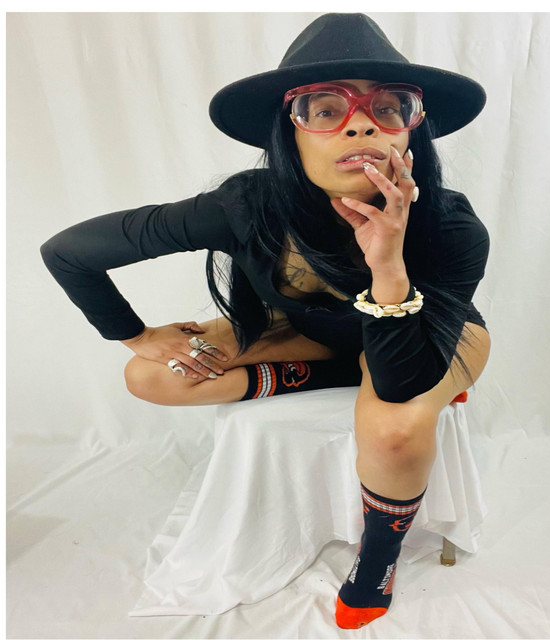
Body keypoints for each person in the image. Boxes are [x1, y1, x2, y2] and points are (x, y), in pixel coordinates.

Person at [41, 13, 491, 630]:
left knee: (394, 426)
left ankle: (378, 561)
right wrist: (137, 335)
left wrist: (388, 264)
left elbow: (398, 383)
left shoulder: (454, 226)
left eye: (389, 107)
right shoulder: (245, 206)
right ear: (289, 134)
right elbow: (68, 251)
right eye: (325, 109)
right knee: (150, 377)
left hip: (428, 340)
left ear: (411, 131)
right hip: (314, 334)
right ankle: (328, 375)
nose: (361, 122)